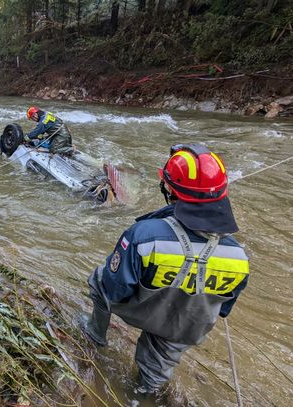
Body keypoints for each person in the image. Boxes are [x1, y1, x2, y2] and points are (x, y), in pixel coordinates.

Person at [82, 144, 249, 394]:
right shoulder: (239, 256)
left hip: (144, 310)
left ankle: (94, 336)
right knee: (156, 373)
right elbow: (223, 308)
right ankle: (147, 393)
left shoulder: (143, 236)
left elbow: (115, 289)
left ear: (170, 189)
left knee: (98, 280)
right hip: (185, 325)